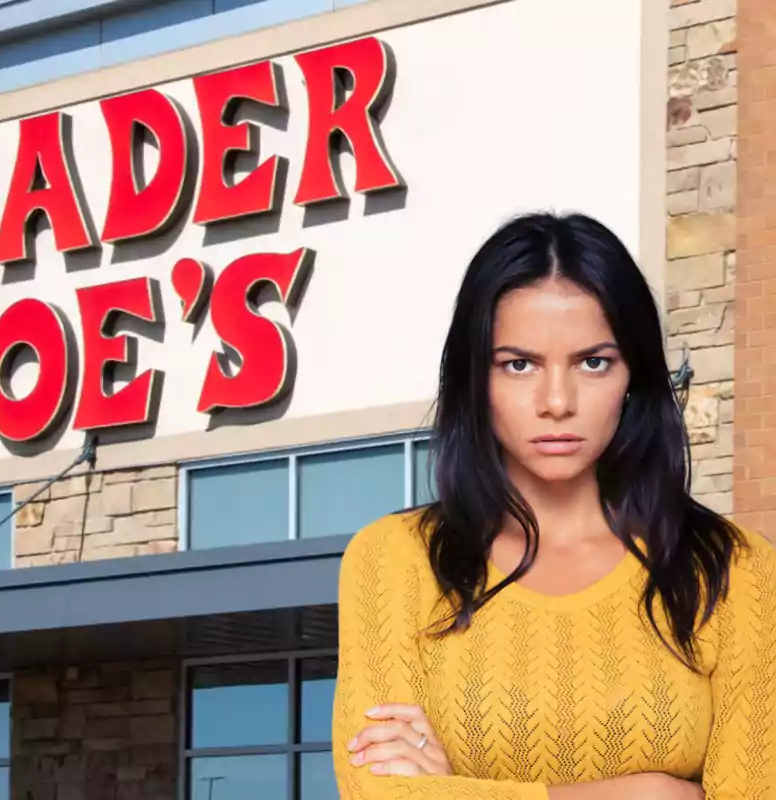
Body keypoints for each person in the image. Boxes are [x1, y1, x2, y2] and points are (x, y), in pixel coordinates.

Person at [332, 212, 776, 799]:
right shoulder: (393, 561)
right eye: (519, 364)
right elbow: (379, 795)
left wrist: (456, 791)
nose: (557, 402)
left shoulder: (734, 571)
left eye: (593, 362)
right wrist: (650, 793)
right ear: (476, 378)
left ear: (632, 376)